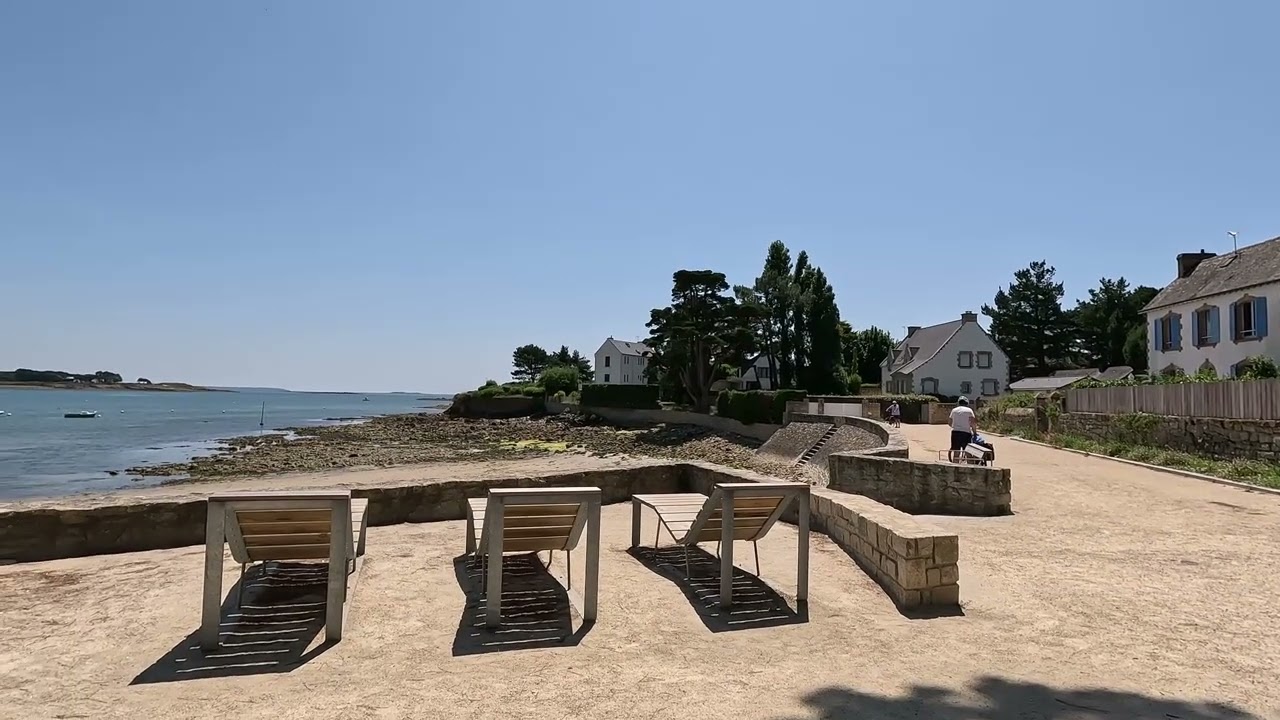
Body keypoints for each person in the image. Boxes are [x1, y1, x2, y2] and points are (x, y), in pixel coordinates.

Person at [948, 396, 977, 462]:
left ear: (958, 403)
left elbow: (949, 422)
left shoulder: (954, 410)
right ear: (967, 403)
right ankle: (970, 468)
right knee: (968, 452)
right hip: (966, 433)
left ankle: (955, 468)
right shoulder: (969, 410)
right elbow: (973, 423)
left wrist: (955, 426)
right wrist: (974, 432)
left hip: (955, 433)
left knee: (956, 453)